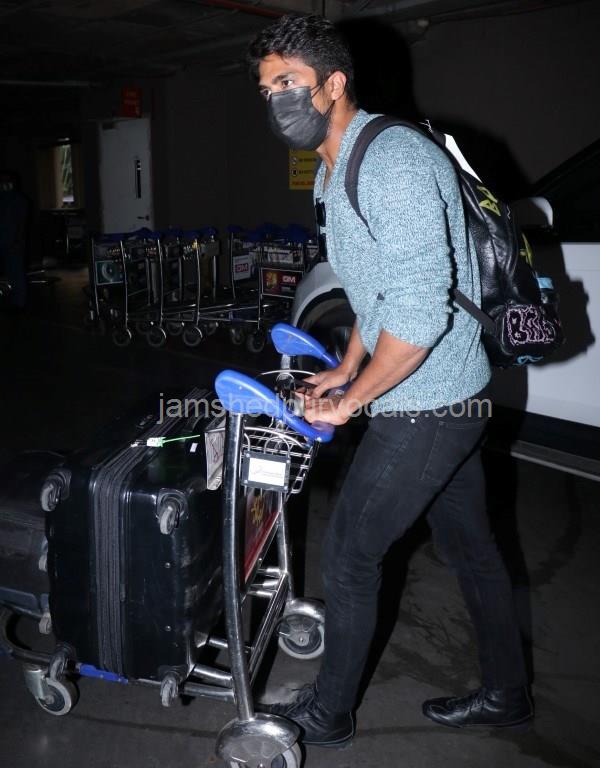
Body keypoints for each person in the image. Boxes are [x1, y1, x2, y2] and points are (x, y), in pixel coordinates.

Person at [247, 14, 533, 748]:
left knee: (350, 555)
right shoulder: (335, 166)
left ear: (333, 84)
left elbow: (417, 313)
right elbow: (376, 295)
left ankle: (329, 714)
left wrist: (352, 401)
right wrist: (346, 368)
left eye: (289, 83)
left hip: (429, 405)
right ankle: (508, 694)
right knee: (473, 551)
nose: (277, 100)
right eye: (267, 89)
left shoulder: (392, 161)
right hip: (445, 394)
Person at [0, 170, 29, 310]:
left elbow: (22, 223)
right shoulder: (3, 199)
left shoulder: (18, 200)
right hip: (5, 241)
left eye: (7, 180)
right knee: (10, 272)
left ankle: (19, 302)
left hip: (13, 242)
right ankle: (14, 300)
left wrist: (18, 240)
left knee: (16, 272)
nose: (4, 184)